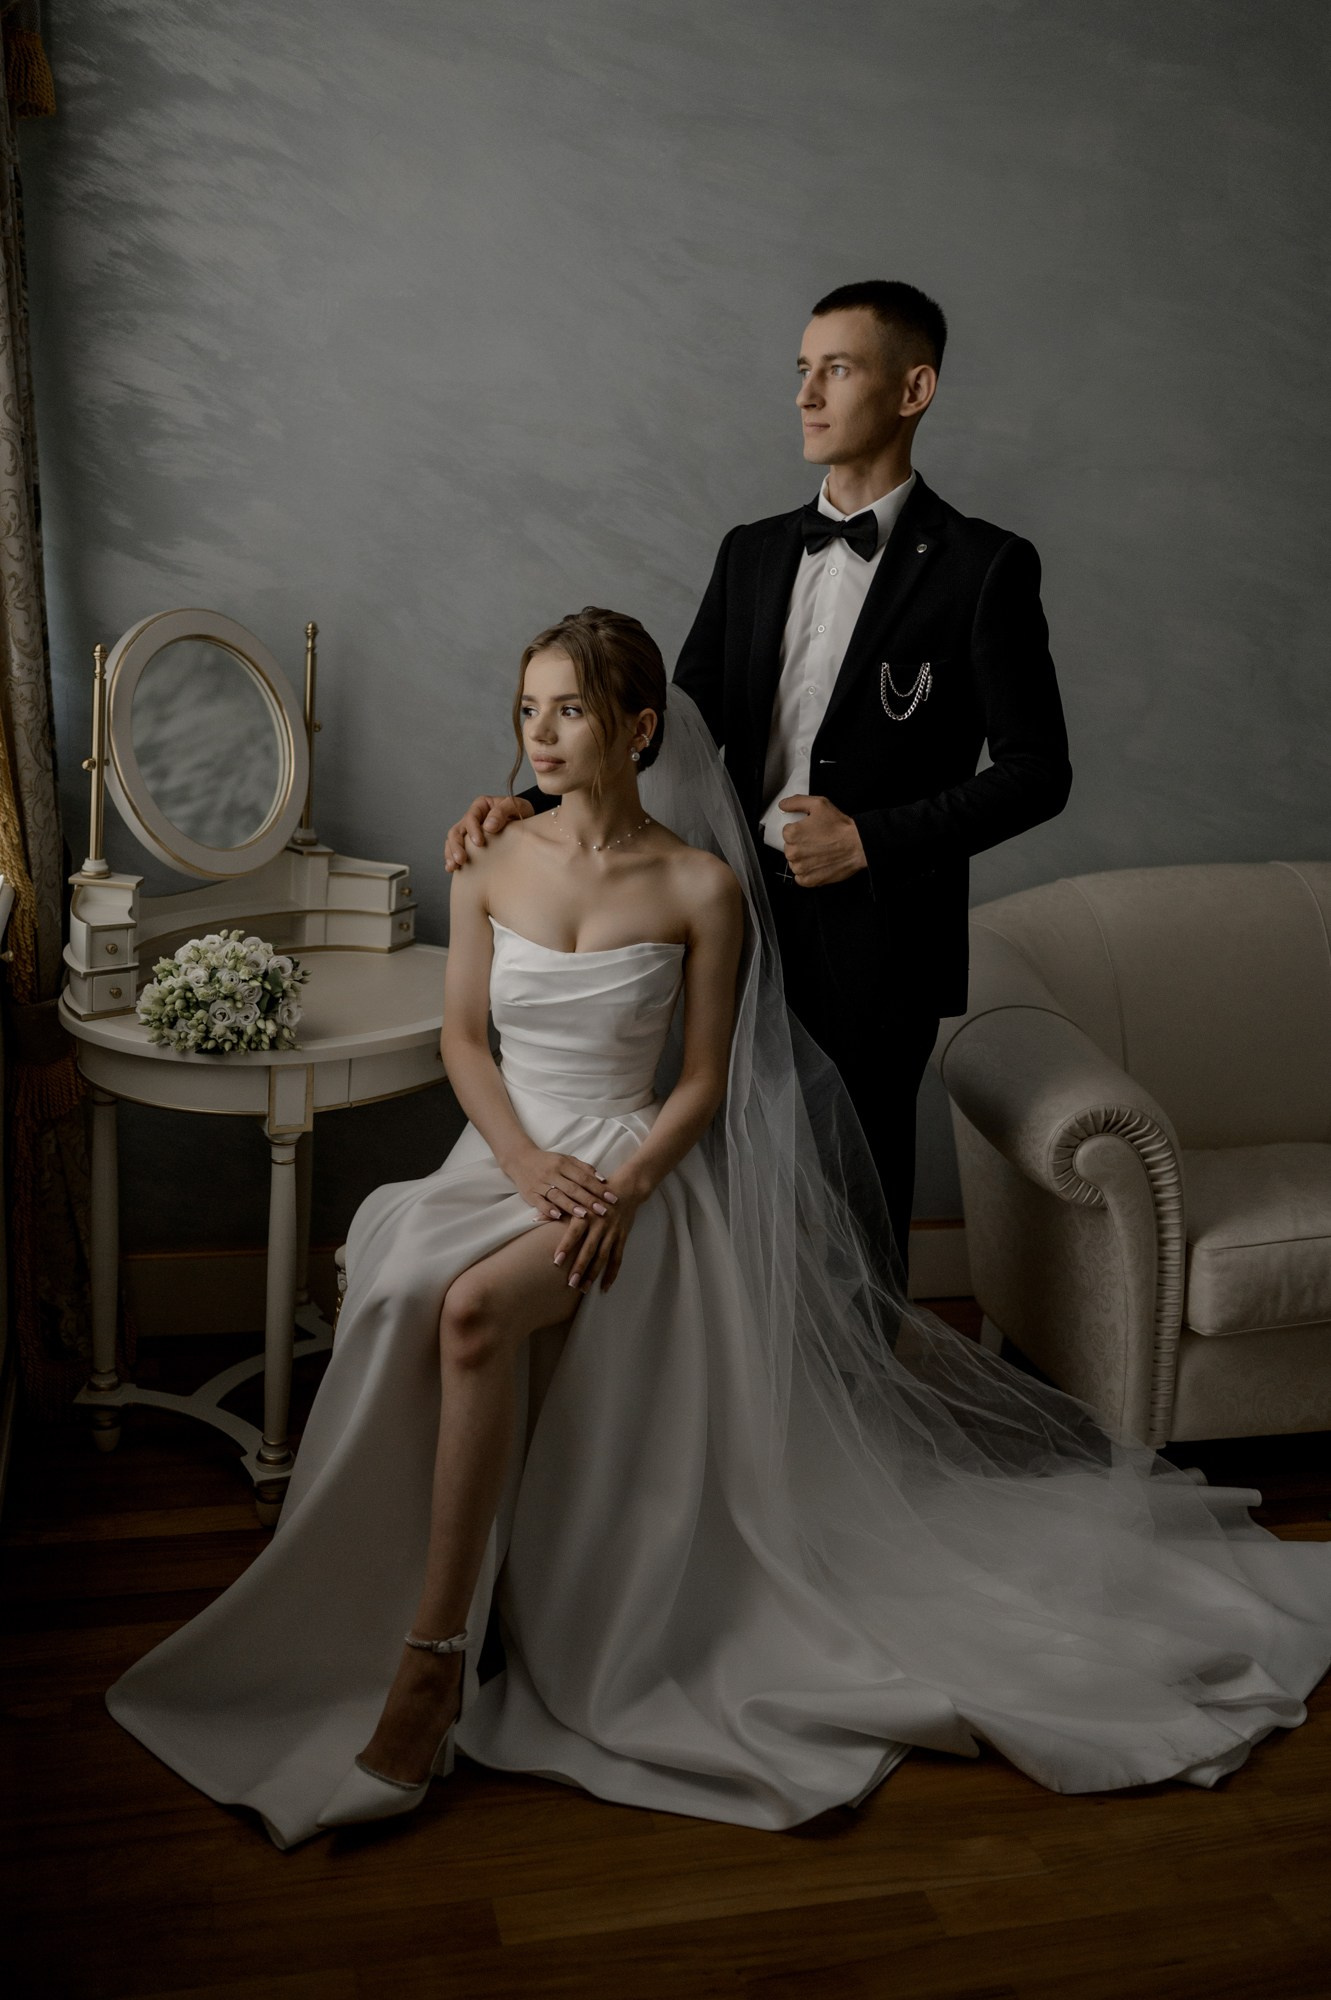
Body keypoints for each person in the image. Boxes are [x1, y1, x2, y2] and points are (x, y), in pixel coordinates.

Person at [104, 610, 1331, 1851]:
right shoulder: (487, 855)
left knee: (469, 1307)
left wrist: (628, 1183)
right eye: (527, 708)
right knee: (403, 1281)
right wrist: (523, 1160)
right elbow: (465, 1041)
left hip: (632, 1172)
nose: (540, 733)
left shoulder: (699, 884)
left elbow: (700, 1080)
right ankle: (406, 1608)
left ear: (639, 727)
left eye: (569, 709)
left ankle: (430, 1665)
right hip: (508, 1156)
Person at [445, 280, 1072, 1289]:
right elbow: (666, 731)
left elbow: (1039, 773)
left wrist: (867, 840)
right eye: (801, 370)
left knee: (854, 1208)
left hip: (877, 938)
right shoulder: (750, 552)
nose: (804, 394)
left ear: (913, 389)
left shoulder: (982, 567)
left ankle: (862, 1394)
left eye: (837, 369)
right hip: (725, 911)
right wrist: (532, 803)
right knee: (723, 1180)